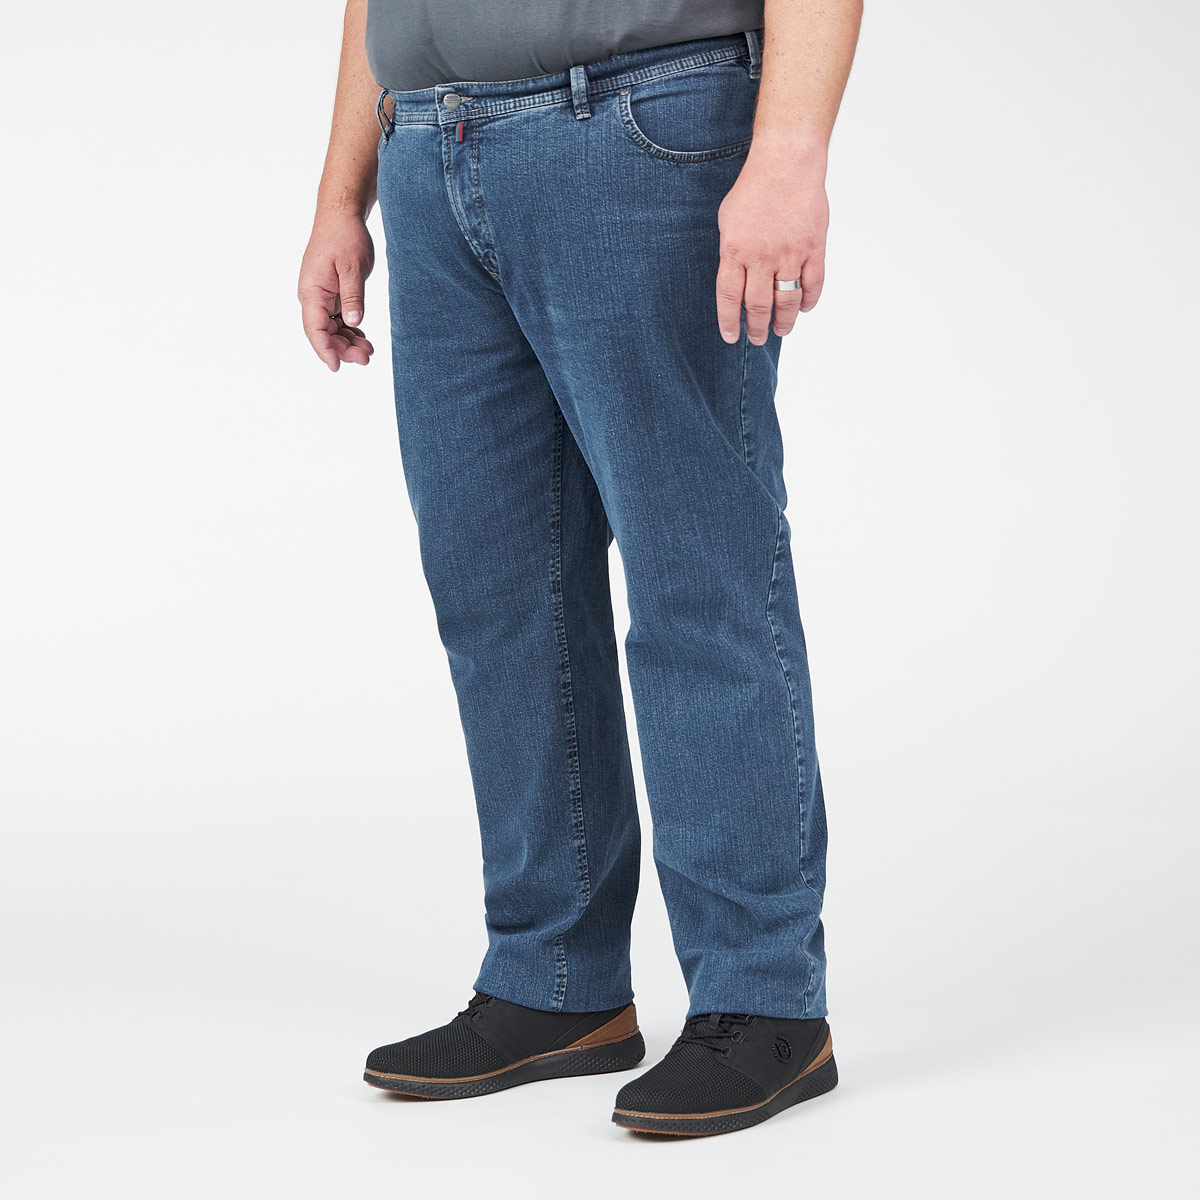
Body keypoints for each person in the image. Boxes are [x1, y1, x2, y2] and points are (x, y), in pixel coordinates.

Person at [299, 0, 861, 1137]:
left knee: (696, 576)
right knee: (497, 593)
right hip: (427, 146)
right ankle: (556, 980)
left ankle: (762, 999)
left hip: (634, 127)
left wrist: (789, 155)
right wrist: (337, 197)